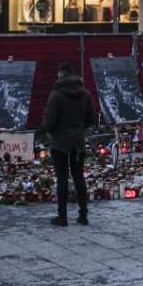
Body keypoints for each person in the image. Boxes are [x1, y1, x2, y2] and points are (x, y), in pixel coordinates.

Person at [43, 62, 97, 226]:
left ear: (60, 75)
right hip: (78, 142)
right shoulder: (85, 93)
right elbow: (91, 119)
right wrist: (79, 129)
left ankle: (62, 216)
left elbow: (49, 121)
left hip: (60, 142)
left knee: (62, 179)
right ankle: (83, 215)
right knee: (79, 177)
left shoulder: (56, 95)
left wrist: (52, 132)